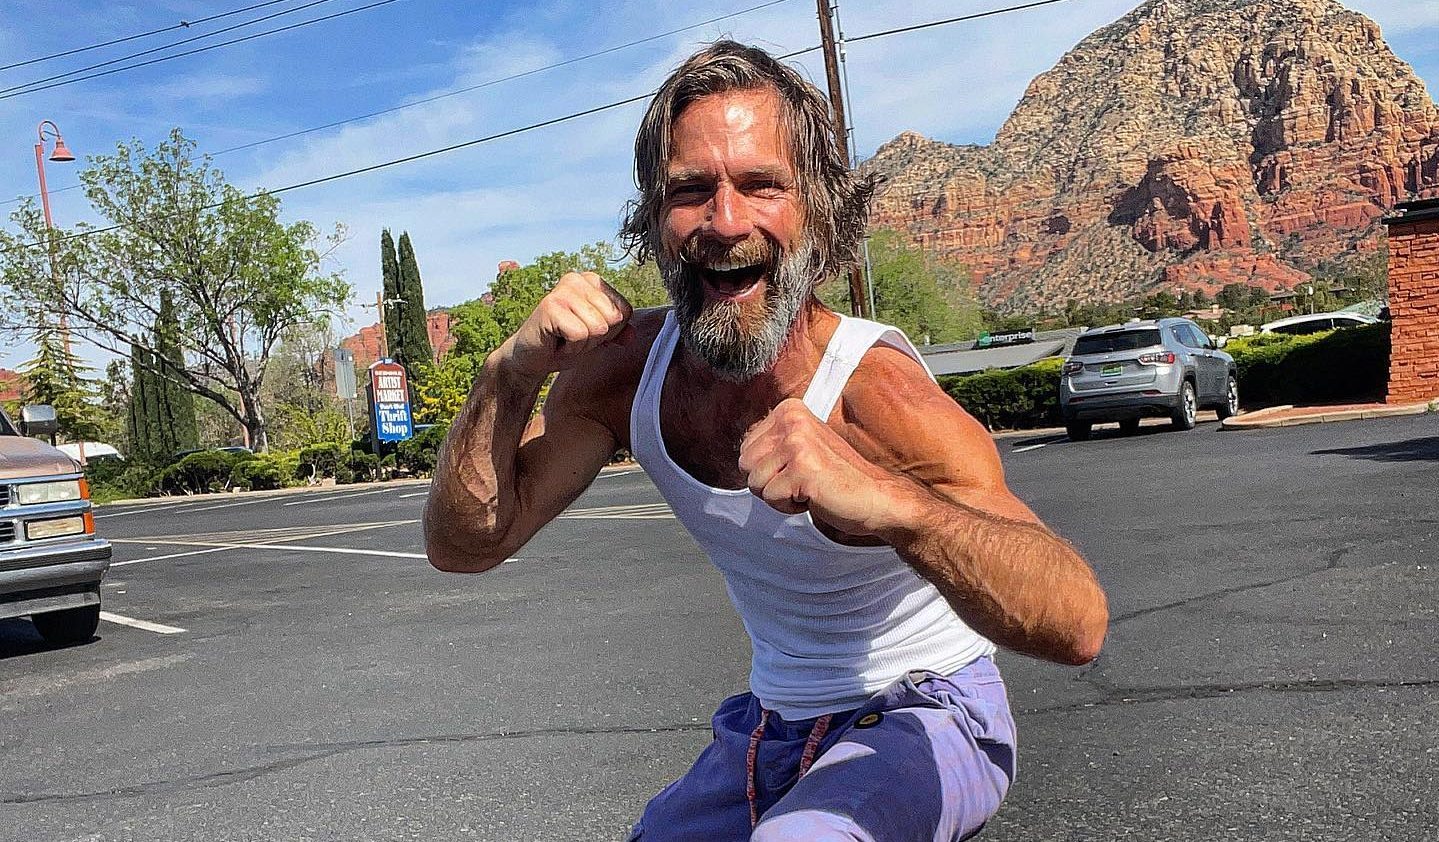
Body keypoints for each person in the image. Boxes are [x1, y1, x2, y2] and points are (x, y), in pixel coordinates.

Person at [425, 40, 1109, 842]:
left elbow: (1076, 624)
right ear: (653, 219)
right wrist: (507, 375)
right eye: (690, 190)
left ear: (818, 210)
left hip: (934, 709)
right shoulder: (620, 375)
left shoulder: (876, 394)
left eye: (761, 185)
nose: (725, 222)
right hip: (771, 726)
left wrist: (895, 506)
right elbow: (465, 546)